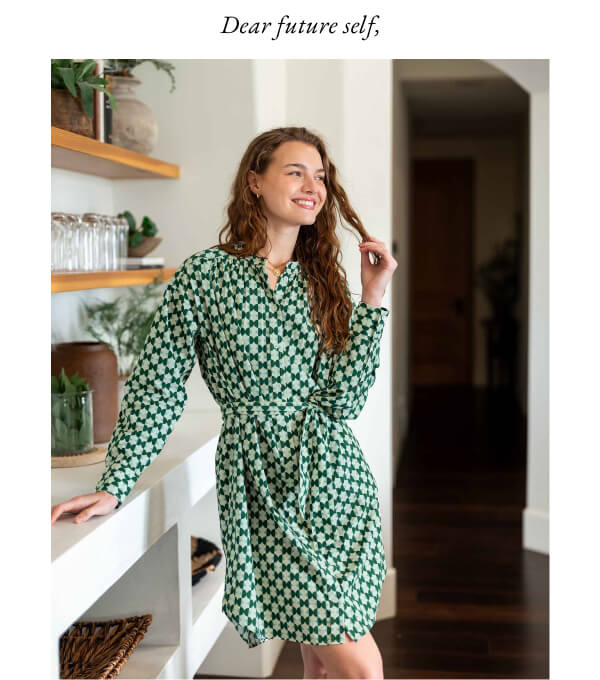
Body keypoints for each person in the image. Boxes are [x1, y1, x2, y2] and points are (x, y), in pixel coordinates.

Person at [51, 126, 397, 679]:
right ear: (255, 182)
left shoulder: (324, 279)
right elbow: (158, 386)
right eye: (296, 172)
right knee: (349, 659)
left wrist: (373, 301)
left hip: (335, 481)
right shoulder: (204, 276)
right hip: (261, 481)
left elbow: (343, 402)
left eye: (321, 176)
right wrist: (115, 485)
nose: (313, 186)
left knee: (327, 658)